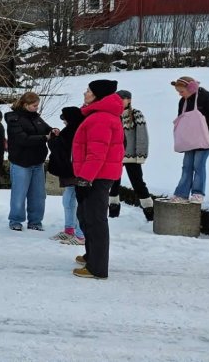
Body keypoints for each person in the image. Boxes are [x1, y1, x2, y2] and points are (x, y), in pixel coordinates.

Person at [72, 80, 124, 280]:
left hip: (96, 176)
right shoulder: (99, 115)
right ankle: (91, 256)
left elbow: (96, 153)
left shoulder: (101, 118)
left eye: (88, 91)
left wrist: (85, 179)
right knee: (85, 216)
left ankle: (97, 267)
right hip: (95, 175)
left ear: (97, 96)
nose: (85, 94)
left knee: (95, 220)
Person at [167, 77, 209, 204]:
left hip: (206, 139)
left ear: (191, 88)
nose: (179, 94)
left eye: (181, 91)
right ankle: (181, 194)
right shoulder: (183, 101)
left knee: (198, 165)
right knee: (187, 166)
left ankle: (198, 193)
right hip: (190, 140)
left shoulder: (208, 98)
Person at [5, 92, 54, 231]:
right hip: (21, 163)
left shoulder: (36, 117)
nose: (37, 108)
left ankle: (35, 221)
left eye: (37, 105)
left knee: (38, 196)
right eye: (34, 105)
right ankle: (15, 220)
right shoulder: (13, 119)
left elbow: (46, 128)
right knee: (19, 194)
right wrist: (45, 138)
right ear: (25, 105)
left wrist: (53, 130)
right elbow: (22, 139)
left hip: (37, 162)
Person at [109, 90, 154, 220]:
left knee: (138, 182)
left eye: (122, 99)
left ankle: (149, 211)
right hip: (115, 156)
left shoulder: (136, 114)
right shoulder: (112, 114)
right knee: (113, 183)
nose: (119, 101)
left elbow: (142, 135)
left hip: (131, 156)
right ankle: (113, 212)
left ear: (128, 100)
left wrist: (141, 154)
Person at [47, 107, 85, 245]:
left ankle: (80, 234)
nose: (63, 122)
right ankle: (70, 230)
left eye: (64, 119)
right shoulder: (73, 129)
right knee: (68, 200)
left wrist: (53, 139)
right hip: (71, 171)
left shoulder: (74, 130)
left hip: (74, 171)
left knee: (76, 201)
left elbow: (60, 148)